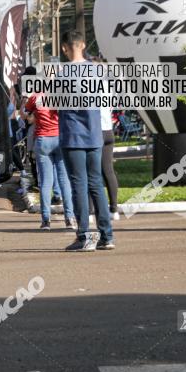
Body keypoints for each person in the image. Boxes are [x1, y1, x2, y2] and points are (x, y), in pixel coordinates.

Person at [58, 30, 114, 251]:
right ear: (83, 45)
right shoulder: (98, 72)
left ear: (65, 48)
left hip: (72, 136)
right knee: (96, 184)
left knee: (78, 186)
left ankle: (84, 237)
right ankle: (107, 236)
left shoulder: (62, 75)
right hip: (94, 135)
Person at [23, 82, 76, 231]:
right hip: (60, 139)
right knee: (64, 181)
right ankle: (69, 218)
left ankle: (46, 221)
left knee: (45, 182)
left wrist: (27, 107)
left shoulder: (35, 97)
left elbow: (25, 115)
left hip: (42, 140)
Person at [100, 106, 120, 220]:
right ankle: (114, 209)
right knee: (108, 171)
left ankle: (89, 212)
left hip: (95, 131)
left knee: (91, 172)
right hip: (108, 130)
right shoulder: (109, 91)